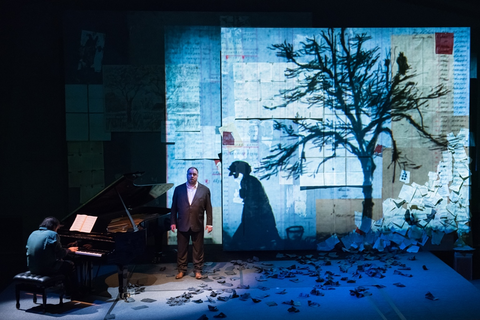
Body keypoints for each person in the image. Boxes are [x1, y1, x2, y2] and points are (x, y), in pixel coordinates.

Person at [228, 161, 281, 250]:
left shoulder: (249, 181)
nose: (234, 176)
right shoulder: (247, 180)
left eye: (235, 173)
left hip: (259, 215)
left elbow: (253, 201)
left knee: (268, 236)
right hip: (256, 215)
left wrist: (251, 218)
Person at [170, 167, 213, 280]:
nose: (192, 176)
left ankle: (198, 270)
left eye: (194, 174)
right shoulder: (178, 189)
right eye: (190, 174)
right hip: (182, 224)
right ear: (187, 175)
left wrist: (209, 223)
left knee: (198, 249)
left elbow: (209, 208)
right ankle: (181, 270)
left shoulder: (205, 190)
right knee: (181, 249)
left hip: (197, 224)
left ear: (197, 175)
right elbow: (174, 207)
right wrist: (173, 221)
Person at [26, 217, 79, 297]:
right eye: (57, 228)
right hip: (46, 269)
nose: (57, 230)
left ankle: (67, 290)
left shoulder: (33, 233)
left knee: (63, 264)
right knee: (70, 265)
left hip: (32, 268)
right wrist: (69, 250)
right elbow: (60, 254)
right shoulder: (53, 234)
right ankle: (73, 292)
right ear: (54, 226)